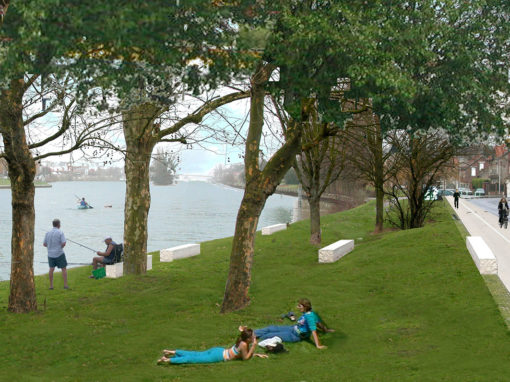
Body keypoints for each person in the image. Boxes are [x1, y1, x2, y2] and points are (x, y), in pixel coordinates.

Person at [249, 298, 333, 350]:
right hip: (293, 328)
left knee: (270, 335)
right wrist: (326, 330)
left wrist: (318, 345)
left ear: (305, 307)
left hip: (295, 336)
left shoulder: (309, 317)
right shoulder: (311, 313)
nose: (297, 307)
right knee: (271, 327)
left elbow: (314, 331)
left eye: (299, 306)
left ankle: (253, 339)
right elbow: (318, 323)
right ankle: (250, 334)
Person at [156, 327, 268, 365]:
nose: (254, 338)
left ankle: (172, 352)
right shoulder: (244, 344)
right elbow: (245, 358)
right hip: (218, 357)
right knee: (194, 360)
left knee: (196, 354)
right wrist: (254, 347)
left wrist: (257, 354)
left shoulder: (241, 341)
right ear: (248, 339)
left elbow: (244, 355)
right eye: (252, 337)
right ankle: (167, 360)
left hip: (218, 351)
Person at [43, 218, 69, 290]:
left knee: (51, 269)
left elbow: (44, 244)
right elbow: (64, 243)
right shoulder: (60, 232)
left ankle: (51, 286)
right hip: (59, 253)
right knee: (63, 268)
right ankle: (65, 285)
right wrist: (60, 247)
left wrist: (50, 246)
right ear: (59, 225)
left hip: (50, 254)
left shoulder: (47, 233)